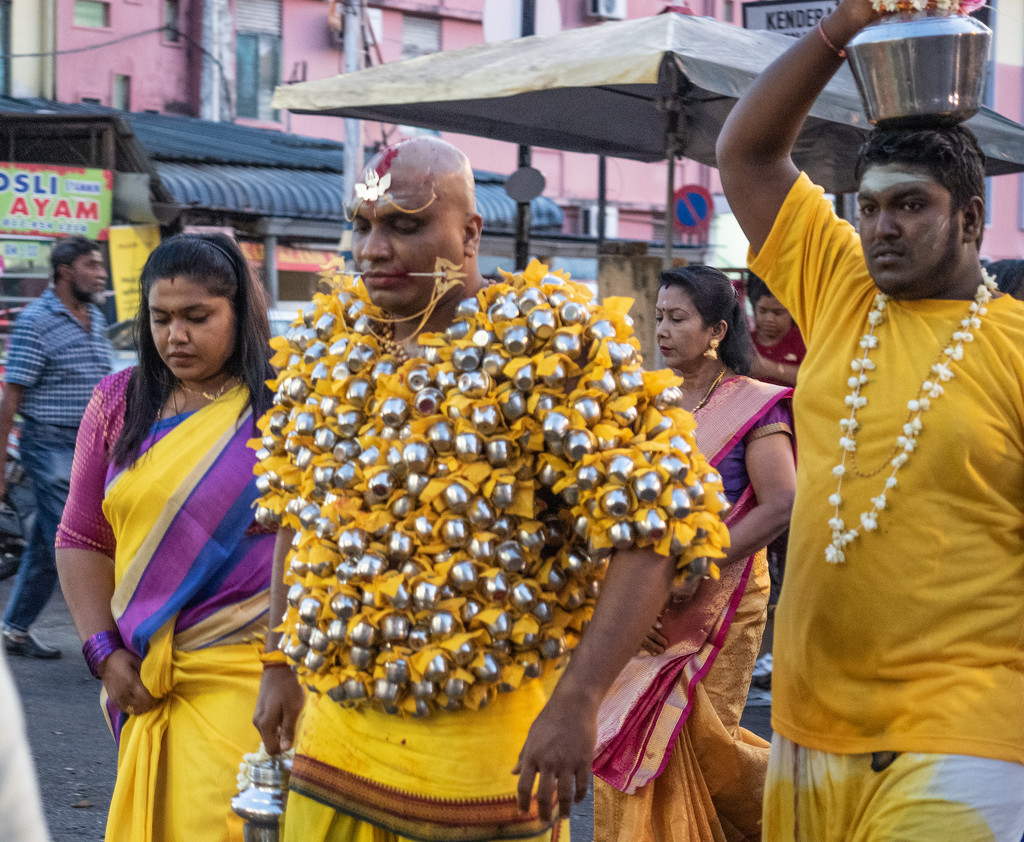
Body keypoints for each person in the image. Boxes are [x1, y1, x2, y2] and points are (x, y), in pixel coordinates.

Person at [250, 136, 731, 841]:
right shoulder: (329, 342)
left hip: (487, 763)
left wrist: (579, 700)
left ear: (470, 232)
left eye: (406, 225)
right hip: (333, 741)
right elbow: (301, 515)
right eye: (364, 225)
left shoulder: (555, 343)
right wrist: (279, 661)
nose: (374, 250)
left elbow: (655, 529)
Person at [716, 1, 1024, 838]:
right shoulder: (841, 285)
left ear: (969, 217)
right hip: (810, 731)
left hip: (968, 734)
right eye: (871, 206)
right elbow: (746, 152)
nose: (882, 227)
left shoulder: (1016, 346)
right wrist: (841, 27)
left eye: (912, 207)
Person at [54, 233, 276, 842]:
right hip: (143, 677)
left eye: (197, 317)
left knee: (225, 821)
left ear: (241, 315)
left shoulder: (284, 406)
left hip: (252, 675)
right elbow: (81, 535)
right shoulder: (119, 403)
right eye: (161, 318)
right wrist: (101, 648)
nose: (176, 336)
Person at [592, 265, 796, 842]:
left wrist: (695, 562)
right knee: (628, 735)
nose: (661, 329)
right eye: (658, 317)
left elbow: (782, 504)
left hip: (720, 599)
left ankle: (800, 813)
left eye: (677, 318)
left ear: (716, 331)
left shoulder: (754, 405)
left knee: (702, 744)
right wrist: (627, 596)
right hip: (642, 601)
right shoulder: (638, 402)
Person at [0, 236, 110, 659]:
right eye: (90, 265)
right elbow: (11, 396)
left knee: (52, 544)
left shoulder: (95, 318)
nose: (99, 273)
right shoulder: (36, 320)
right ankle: (105, 640)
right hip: (49, 445)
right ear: (65, 270)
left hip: (93, 446)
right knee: (80, 539)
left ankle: (14, 629)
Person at [746, 272, 805, 387]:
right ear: (754, 309)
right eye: (762, 311)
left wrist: (770, 369)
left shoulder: (802, 340)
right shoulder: (746, 340)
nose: (769, 319)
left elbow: (814, 379)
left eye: (777, 312)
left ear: (792, 312)